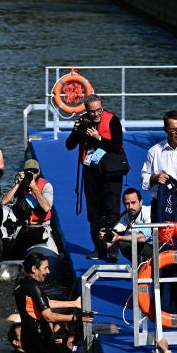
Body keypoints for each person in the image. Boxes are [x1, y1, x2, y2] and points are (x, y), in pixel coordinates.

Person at [66, 95, 126, 256]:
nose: (96, 114)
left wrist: (97, 138)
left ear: (102, 107)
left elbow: (115, 145)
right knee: (94, 212)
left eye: (98, 110)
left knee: (112, 211)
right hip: (91, 172)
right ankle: (99, 248)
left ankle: (113, 248)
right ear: (87, 110)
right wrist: (76, 132)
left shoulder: (112, 120)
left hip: (111, 171)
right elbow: (69, 145)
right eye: (92, 111)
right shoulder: (83, 121)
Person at [12, 252, 90, 353]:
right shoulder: (33, 287)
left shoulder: (26, 283)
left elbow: (46, 303)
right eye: (45, 268)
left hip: (39, 338)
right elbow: (48, 316)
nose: (48, 271)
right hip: (37, 340)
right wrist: (77, 318)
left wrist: (73, 304)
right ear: (34, 268)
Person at [0, 158, 53, 255]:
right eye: (29, 172)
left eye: (35, 171)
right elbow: (4, 201)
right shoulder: (21, 184)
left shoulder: (46, 186)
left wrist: (35, 189)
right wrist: (18, 183)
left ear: (39, 172)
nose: (32, 174)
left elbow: (46, 208)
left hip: (40, 226)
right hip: (23, 226)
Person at [97, 188, 153, 263]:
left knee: (124, 243)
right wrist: (105, 237)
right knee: (124, 243)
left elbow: (142, 238)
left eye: (133, 203)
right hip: (147, 247)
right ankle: (141, 268)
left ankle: (143, 268)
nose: (130, 207)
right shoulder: (126, 217)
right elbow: (113, 238)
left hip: (160, 249)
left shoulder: (149, 213)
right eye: (127, 203)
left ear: (141, 202)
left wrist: (119, 237)